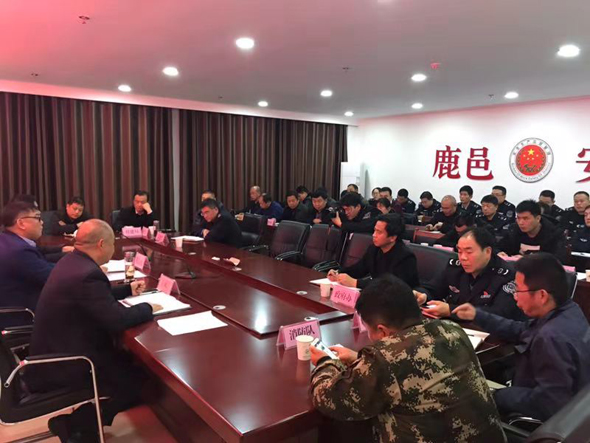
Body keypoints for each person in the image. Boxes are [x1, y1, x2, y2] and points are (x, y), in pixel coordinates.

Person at [310, 276, 506, 443]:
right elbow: (417, 365)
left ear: (382, 331)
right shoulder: (452, 330)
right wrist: (359, 361)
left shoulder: (385, 358)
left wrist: (325, 362)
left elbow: (330, 399)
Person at [28, 219, 160, 442]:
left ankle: (81, 423)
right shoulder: (87, 274)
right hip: (69, 361)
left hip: (52, 350)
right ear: (101, 244)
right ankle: (77, 425)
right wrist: (148, 307)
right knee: (136, 378)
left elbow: (91, 297)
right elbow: (117, 320)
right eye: (112, 244)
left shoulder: (72, 261)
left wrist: (127, 289)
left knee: (127, 363)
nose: (113, 249)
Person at [453, 253, 590, 422]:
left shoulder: (551, 338)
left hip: (540, 421)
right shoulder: (569, 311)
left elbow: (549, 402)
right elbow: (520, 330)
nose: (515, 296)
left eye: (518, 289)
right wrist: (478, 315)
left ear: (542, 295)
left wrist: (497, 395)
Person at [418, 228, 522, 320]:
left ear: (487, 251)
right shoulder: (455, 267)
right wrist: (422, 295)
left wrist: (452, 311)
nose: (463, 258)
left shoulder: (506, 275)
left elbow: (500, 313)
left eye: (469, 252)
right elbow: (433, 288)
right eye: (460, 251)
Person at [0, 202, 57, 327]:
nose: (42, 222)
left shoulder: (6, 240)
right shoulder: (18, 251)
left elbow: (41, 265)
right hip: (22, 315)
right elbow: (53, 277)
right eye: (37, 218)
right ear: (21, 223)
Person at [327, 214, 419, 289]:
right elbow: (359, 269)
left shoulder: (405, 257)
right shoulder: (374, 249)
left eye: (379, 232)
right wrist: (338, 272)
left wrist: (356, 283)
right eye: (374, 230)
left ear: (392, 237)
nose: (374, 235)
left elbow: (391, 286)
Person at [498, 200, 567, 263]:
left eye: (525, 218)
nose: (520, 223)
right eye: (518, 218)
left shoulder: (555, 233)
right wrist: (499, 253)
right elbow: (498, 247)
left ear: (538, 218)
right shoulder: (513, 229)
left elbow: (559, 259)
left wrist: (528, 260)